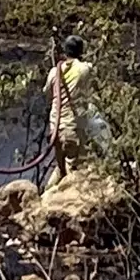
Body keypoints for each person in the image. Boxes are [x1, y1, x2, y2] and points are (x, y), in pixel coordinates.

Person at [43, 35, 94, 189]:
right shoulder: (84, 69)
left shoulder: (54, 72)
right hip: (73, 128)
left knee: (60, 168)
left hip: (56, 130)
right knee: (74, 171)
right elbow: (90, 69)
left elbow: (47, 93)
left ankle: (45, 195)